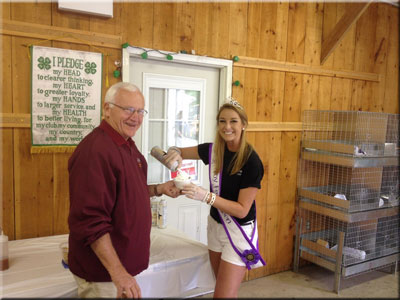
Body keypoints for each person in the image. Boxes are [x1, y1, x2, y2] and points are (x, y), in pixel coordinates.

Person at [68, 82, 181, 298]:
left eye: (140, 111)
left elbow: (126, 192)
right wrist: (118, 273)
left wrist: (159, 189)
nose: (135, 117)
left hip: (122, 268)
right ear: (107, 109)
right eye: (128, 109)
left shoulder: (126, 144)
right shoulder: (96, 152)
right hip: (104, 275)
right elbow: (90, 221)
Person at [163, 98, 265, 298]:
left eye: (233, 121)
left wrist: (206, 196)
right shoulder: (213, 150)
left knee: (222, 295)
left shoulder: (251, 161)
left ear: (243, 124)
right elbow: (178, 150)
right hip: (215, 225)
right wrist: (174, 154)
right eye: (222, 121)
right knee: (222, 288)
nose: (227, 127)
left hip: (237, 230)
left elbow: (242, 209)